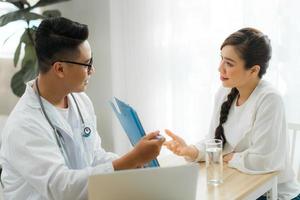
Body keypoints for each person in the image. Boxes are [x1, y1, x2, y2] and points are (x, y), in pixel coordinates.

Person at [0, 17, 165, 200]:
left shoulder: (80, 101)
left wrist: (135, 162)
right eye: (87, 64)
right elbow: (62, 188)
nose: (92, 70)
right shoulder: (24, 125)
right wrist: (131, 160)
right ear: (60, 69)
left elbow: (94, 157)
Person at [164, 28, 300, 200]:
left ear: (253, 70)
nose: (220, 68)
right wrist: (190, 151)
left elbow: (265, 160)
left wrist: (229, 157)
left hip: (274, 194)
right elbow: (215, 142)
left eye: (229, 63)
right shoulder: (224, 92)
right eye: (221, 59)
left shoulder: (269, 99)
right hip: (239, 185)